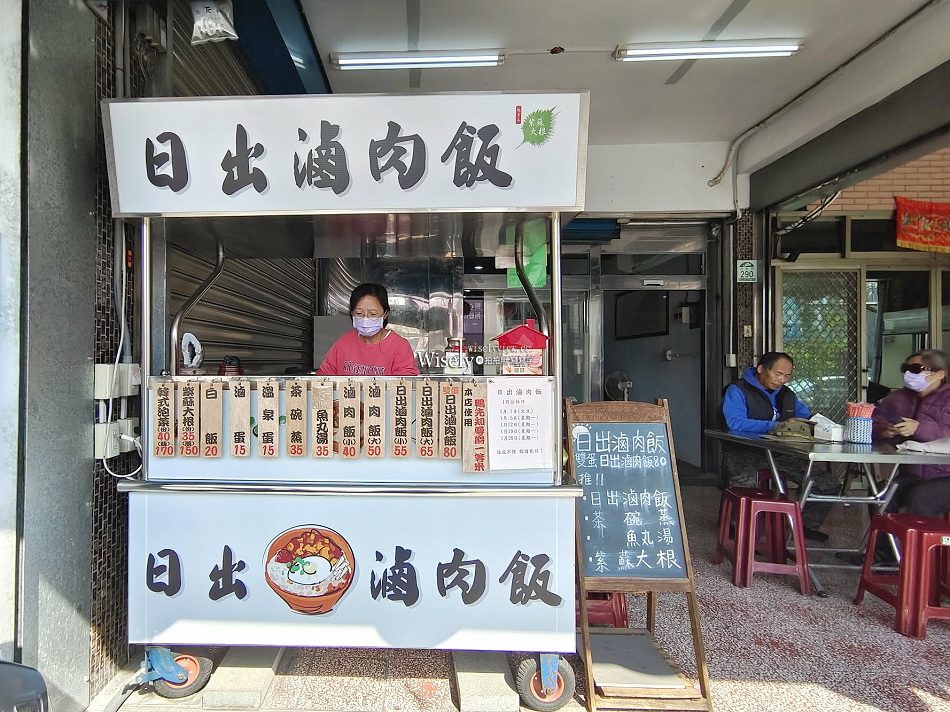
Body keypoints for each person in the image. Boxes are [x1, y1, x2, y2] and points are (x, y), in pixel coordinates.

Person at [721, 351, 840, 542]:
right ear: (761, 369)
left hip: (781, 453)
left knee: (827, 484)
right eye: (778, 374)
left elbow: (808, 418)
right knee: (744, 484)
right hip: (744, 451)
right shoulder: (738, 389)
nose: (782, 380)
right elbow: (735, 422)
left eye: (787, 376)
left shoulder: (787, 395)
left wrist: (827, 428)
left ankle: (805, 526)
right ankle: (739, 528)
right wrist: (775, 426)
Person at [872, 349, 950, 519]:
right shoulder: (899, 397)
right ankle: (884, 545)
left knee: (923, 496)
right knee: (880, 494)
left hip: (946, 476)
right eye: (905, 368)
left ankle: (923, 545)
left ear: (939, 374)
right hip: (913, 474)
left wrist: (919, 428)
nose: (908, 374)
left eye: (916, 369)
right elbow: (874, 421)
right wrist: (885, 431)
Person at [317, 283, 419, 376]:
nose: (365, 318)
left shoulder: (399, 346)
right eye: (359, 313)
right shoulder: (344, 342)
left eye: (373, 314)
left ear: (385, 314)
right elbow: (323, 378)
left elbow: (405, 387)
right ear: (352, 313)